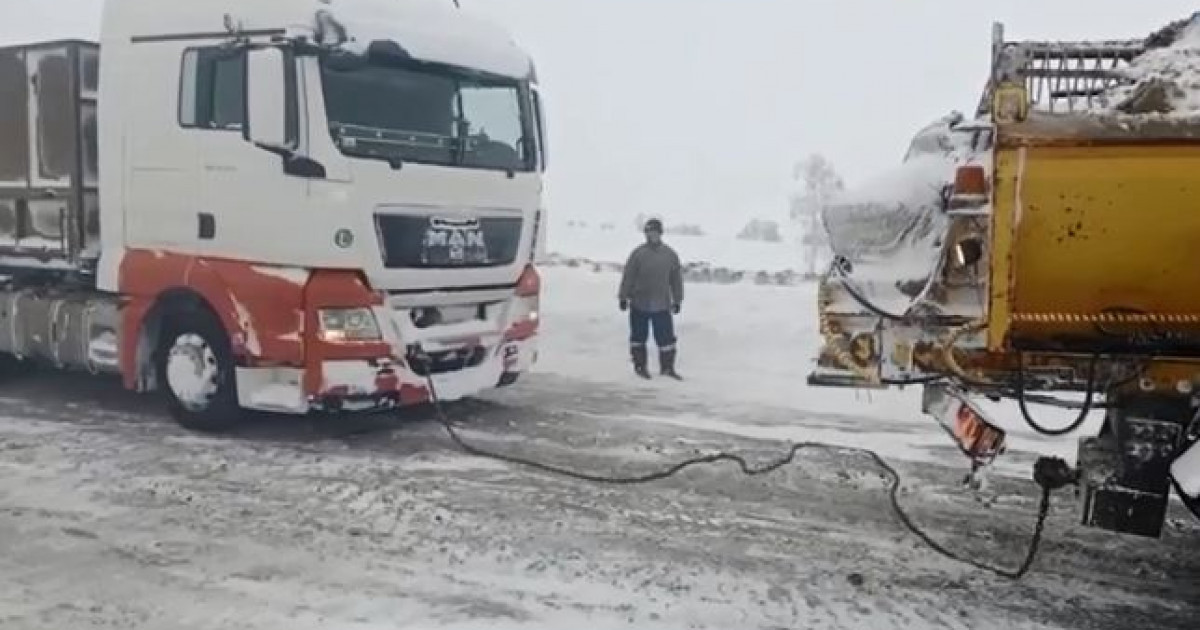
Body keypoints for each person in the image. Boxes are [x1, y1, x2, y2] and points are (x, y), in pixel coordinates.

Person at [619, 218, 684, 380]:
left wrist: (677, 300)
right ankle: (640, 366)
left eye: (654, 232)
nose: (651, 235)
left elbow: (676, 279)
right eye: (648, 232)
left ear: (660, 233)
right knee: (638, 337)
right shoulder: (638, 254)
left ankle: (667, 368)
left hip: (661, 304)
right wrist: (623, 296)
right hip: (639, 303)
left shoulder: (670, 255)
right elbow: (629, 276)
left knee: (666, 339)